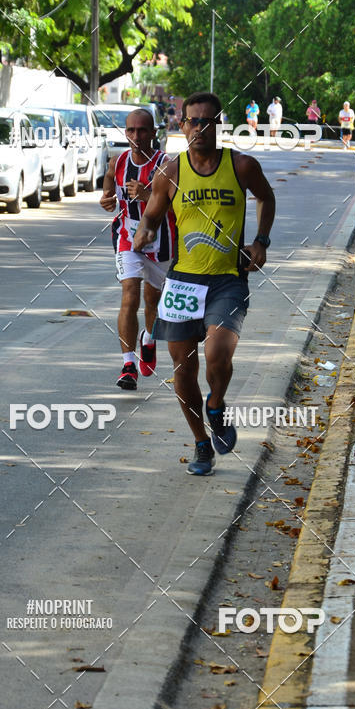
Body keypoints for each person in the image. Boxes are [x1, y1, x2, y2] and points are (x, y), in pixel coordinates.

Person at [133, 91, 276, 476]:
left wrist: (261, 241)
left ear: (218, 125)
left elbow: (266, 197)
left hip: (228, 280)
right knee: (183, 369)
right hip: (183, 282)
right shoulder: (171, 172)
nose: (199, 128)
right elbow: (151, 215)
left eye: (207, 121)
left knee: (218, 355)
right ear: (182, 126)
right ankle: (200, 442)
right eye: (193, 121)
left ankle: (216, 404)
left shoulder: (242, 165)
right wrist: (145, 231)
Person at [99, 108, 175, 390]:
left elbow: (179, 204)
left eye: (142, 130)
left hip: (160, 240)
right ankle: (128, 365)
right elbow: (109, 180)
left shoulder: (166, 165)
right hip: (127, 237)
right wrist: (107, 198)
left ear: (153, 133)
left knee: (153, 301)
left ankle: (149, 339)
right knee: (129, 295)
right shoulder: (118, 162)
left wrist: (149, 195)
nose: (136, 136)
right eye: (131, 130)